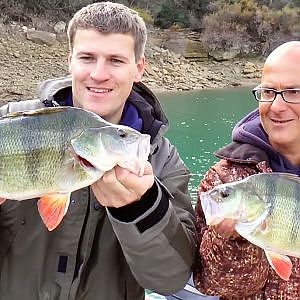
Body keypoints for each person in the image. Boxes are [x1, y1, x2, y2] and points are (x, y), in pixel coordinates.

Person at [0, 2, 197, 299]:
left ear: (139, 68)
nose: (99, 74)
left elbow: (170, 279)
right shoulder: (10, 121)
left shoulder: (162, 160)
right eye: (87, 58)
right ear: (70, 61)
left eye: (116, 60)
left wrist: (140, 208)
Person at [193, 40, 300, 299]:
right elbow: (212, 285)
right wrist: (231, 240)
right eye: (268, 92)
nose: (276, 105)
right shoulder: (224, 178)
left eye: (293, 92)